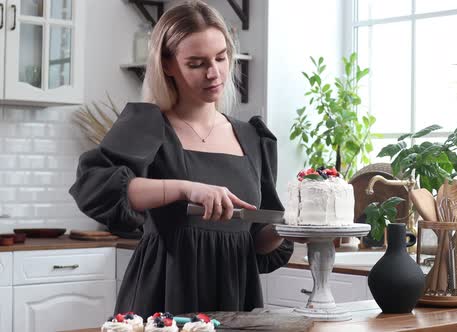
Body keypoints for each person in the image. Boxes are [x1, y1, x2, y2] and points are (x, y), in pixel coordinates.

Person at [69, 0, 293, 317]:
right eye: (196, 63)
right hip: (164, 293)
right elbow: (94, 186)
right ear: (168, 65)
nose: (214, 72)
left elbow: (257, 240)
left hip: (235, 296)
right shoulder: (147, 124)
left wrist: (295, 228)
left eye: (221, 57)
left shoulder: (253, 138)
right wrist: (186, 188)